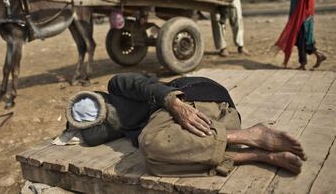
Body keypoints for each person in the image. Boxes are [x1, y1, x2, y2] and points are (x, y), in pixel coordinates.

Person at [66, 73, 306, 177]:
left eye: (103, 111)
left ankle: (250, 136)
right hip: (224, 116)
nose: (107, 121)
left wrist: (173, 103)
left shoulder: (120, 86)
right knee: (159, 162)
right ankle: (255, 154)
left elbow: (143, 85)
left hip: (193, 96)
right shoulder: (132, 129)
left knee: (150, 145)